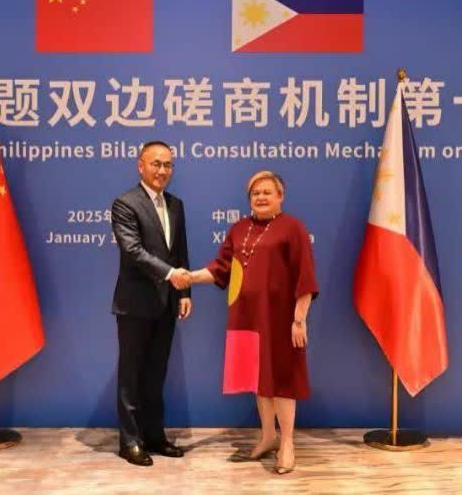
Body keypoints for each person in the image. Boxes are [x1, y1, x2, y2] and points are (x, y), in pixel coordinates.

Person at [189, 170, 318, 475]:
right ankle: (268, 436)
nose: (261, 197)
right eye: (255, 193)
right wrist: (190, 277)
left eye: (267, 192)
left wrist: (299, 320)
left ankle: (287, 443)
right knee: (258, 379)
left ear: (280, 196)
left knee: (282, 381)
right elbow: (220, 268)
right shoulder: (239, 229)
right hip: (246, 317)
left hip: (280, 319)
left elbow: (305, 277)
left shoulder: (293, 228)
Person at [110, 141, 192, 467]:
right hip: (135, 304)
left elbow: (179, 251)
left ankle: (155, 436)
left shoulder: (176, 204)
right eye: (156, 163)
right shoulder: (125, 203)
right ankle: (130, 441)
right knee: (131, 375)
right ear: (140, 165)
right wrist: (171, 274)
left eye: (168, 165)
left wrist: (185, 293)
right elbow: (133, 251)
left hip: (167, 304)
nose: (162, 170)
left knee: (156, 374)